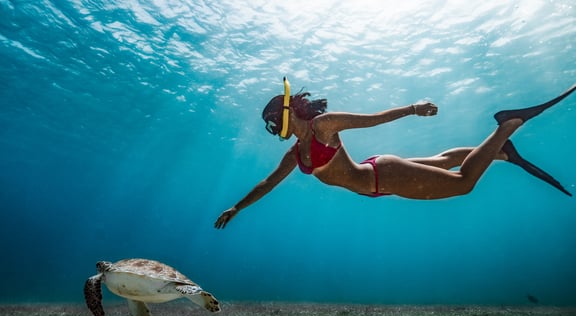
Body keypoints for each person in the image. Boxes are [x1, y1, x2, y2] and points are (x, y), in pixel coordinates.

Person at [215, 78, 574, 229]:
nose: (271, 125)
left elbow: (373, 120)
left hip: (382, 176)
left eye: (273, 118)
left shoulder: (323, 126)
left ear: (287, 114)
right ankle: (501, 153)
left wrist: (413, 108)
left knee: (463, 183)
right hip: (379, 173)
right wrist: (237, 207)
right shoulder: (296, 153)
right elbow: (268, 182)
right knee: (442, 160)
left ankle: (505, 127)